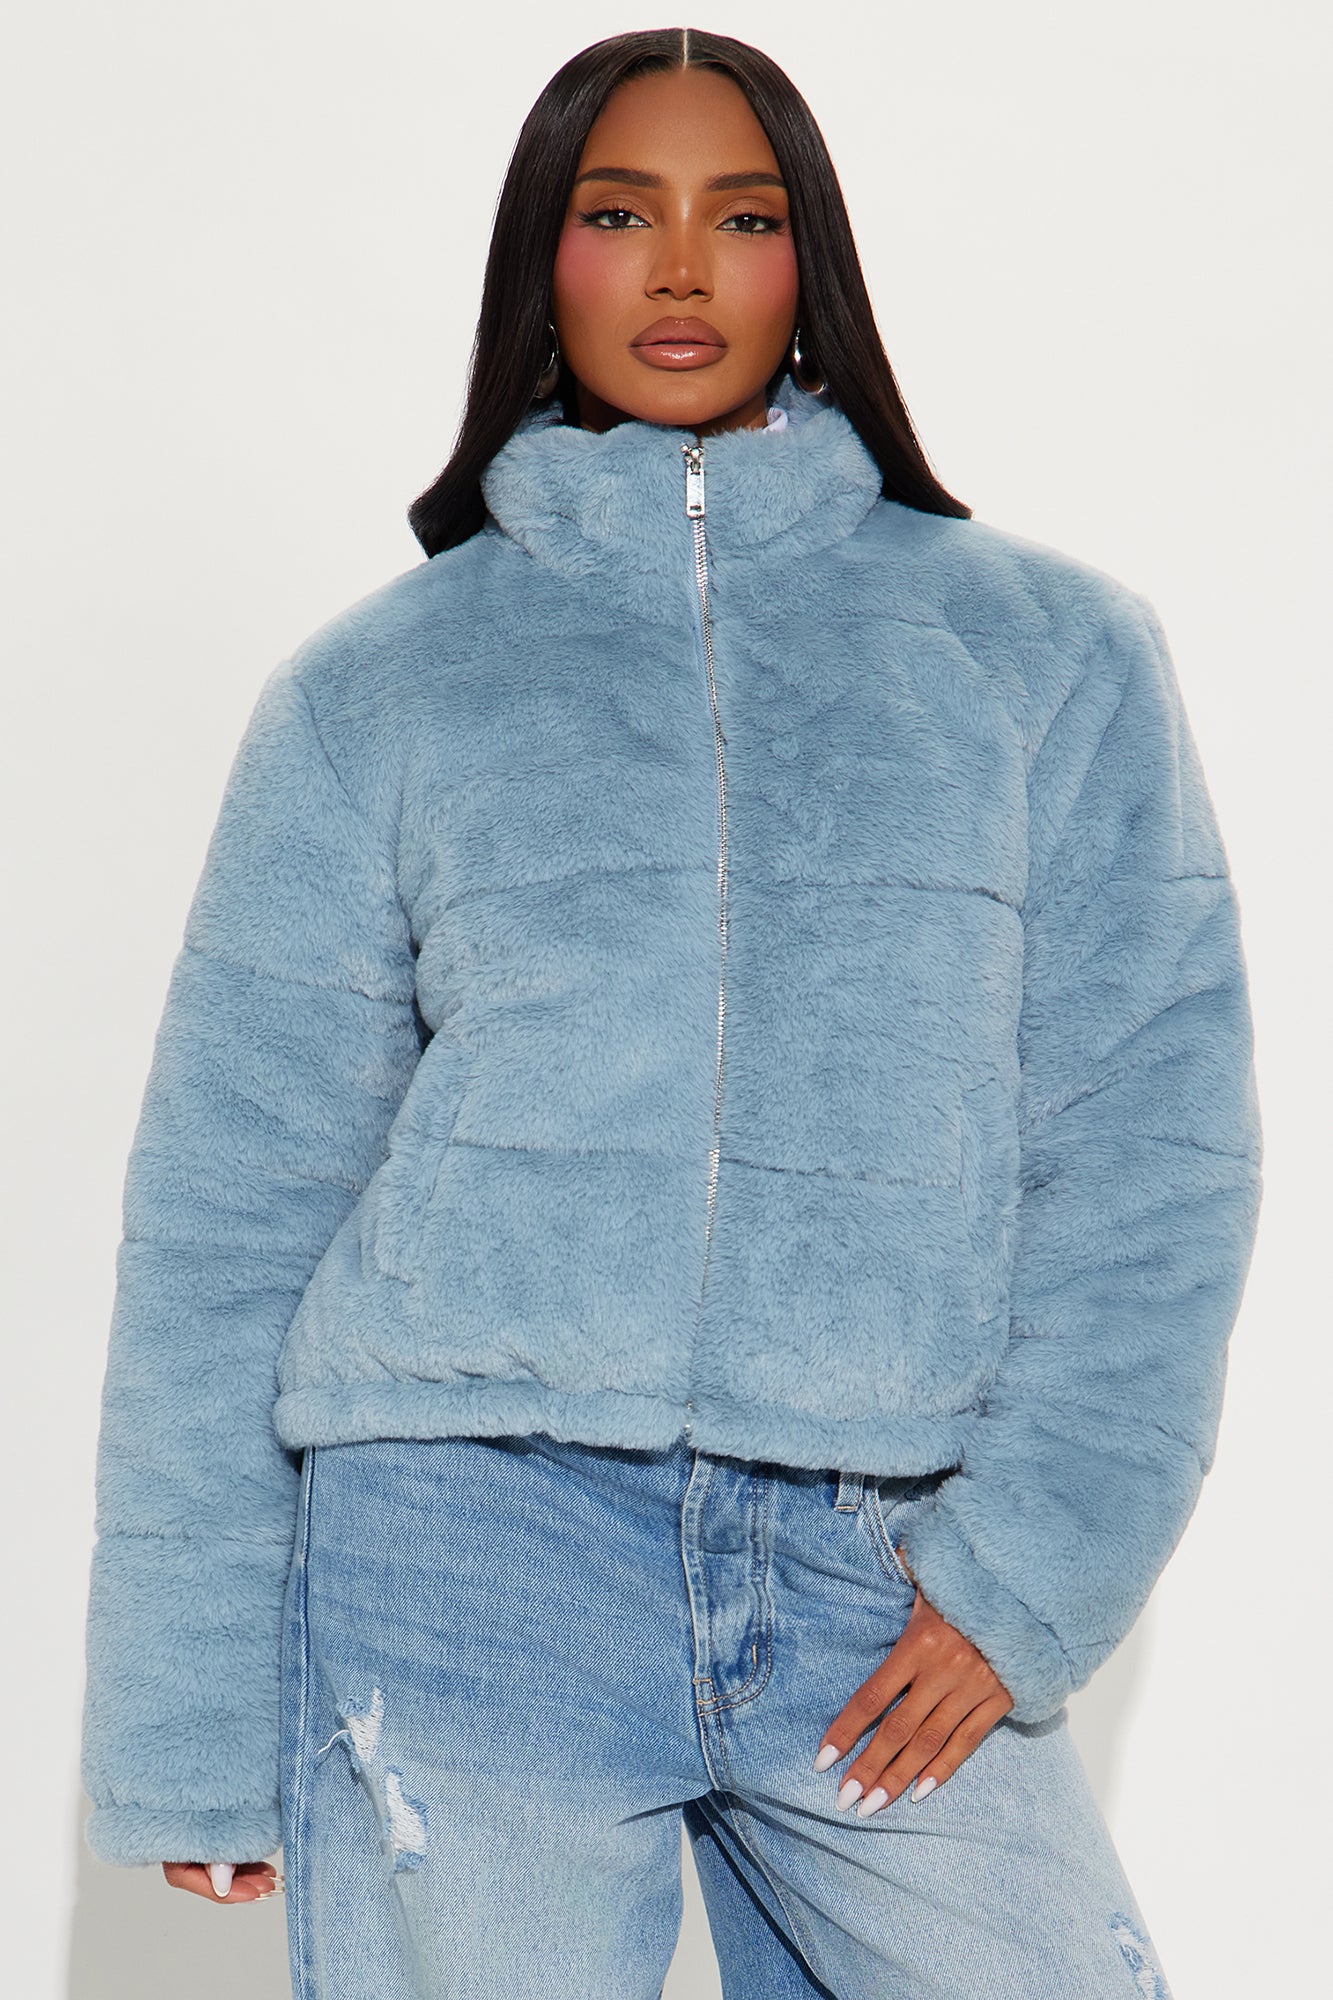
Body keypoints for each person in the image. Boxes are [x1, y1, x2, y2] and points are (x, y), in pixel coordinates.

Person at [80, 25, 1263, 2000]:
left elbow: (1150, 1145)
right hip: (463, 1552)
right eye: (621, 215)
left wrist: (1031, 1568)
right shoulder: (379, 688)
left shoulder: (1045, 655)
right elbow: (231, 1207)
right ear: (541, 260)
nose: (686, 269)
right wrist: (190, 1709)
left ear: (817, 265)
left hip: (877, 1559)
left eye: (748, 218)